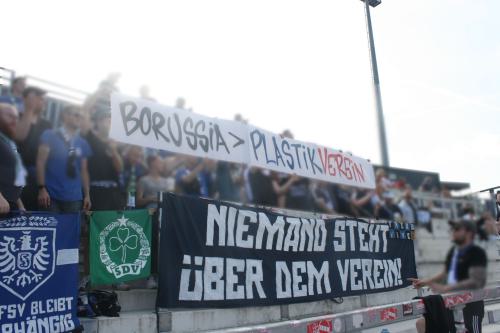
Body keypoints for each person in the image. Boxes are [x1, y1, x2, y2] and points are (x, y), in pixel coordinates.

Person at [411, 219, 487, 333]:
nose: (454, 232)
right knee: (421, 323)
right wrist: (425, 282)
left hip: (472, 304)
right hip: (453, 302)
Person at [36, 105, 92, 213]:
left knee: (71, 230)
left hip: (75, 198)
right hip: (51, 196)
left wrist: (87, 195)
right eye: (76, 115)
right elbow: (40, 162)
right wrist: (41, 189)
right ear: (65, 116)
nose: (79, 118)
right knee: (51, 230)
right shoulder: (49, 135)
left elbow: (84, 171)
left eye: (81, 116)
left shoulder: (83, 142)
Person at [16, 86, 51, 210]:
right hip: (15, 174)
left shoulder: (47, 124)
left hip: (38, 176)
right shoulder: (14, 117)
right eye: (39, 99)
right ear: (25, 99)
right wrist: (29, 110)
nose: (43, 102)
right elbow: (18, 138)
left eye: (43, 99)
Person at [85, 110, 124, 210]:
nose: (109, 124)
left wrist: (114, 151)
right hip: (94, 191)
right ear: (98, 122)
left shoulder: (116, 143)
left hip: (113, 193)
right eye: (107, 121)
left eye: (112, 121)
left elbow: (120, 169)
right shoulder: (89, 139)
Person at [0, 103, 26, 213]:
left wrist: (19, 204)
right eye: (10, 116)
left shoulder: (7, 140)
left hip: (9, 202)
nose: (14, 120)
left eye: (16, 117)